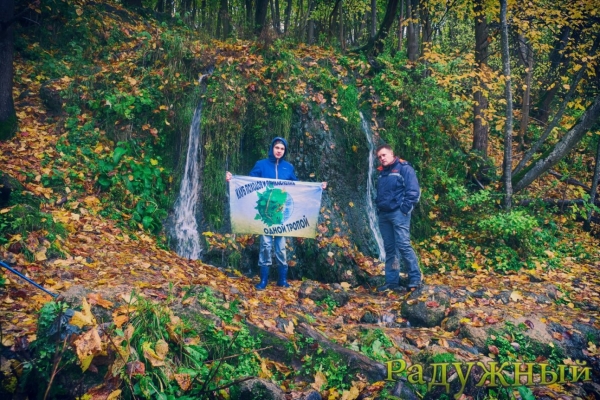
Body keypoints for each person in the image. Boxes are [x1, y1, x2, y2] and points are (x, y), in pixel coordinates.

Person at [226, 137, 326, 290]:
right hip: (265, 214)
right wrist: (233, 180)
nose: (279, 151)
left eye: (282, 149)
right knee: (265, 244)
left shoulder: (289, 168)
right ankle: (264, 280)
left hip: (283, 215)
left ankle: (282, 280)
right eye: (277, 148)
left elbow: (298, 187)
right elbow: (249, 183)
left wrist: (318, 187)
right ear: (272, 148)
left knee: (281, 247)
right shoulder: (261, 164)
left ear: (284, 151)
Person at [375, 144, 422, 292]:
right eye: (379, 157)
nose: (382, 158)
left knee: (403, 245)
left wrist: (404, 209)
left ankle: (415, 277)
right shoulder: (382, 173)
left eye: (384, 155)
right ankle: (391, 281)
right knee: (390, 249)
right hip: (384, 215)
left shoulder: (404, 168)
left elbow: (414, 191)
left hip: (398, 213)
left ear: (391, 154)